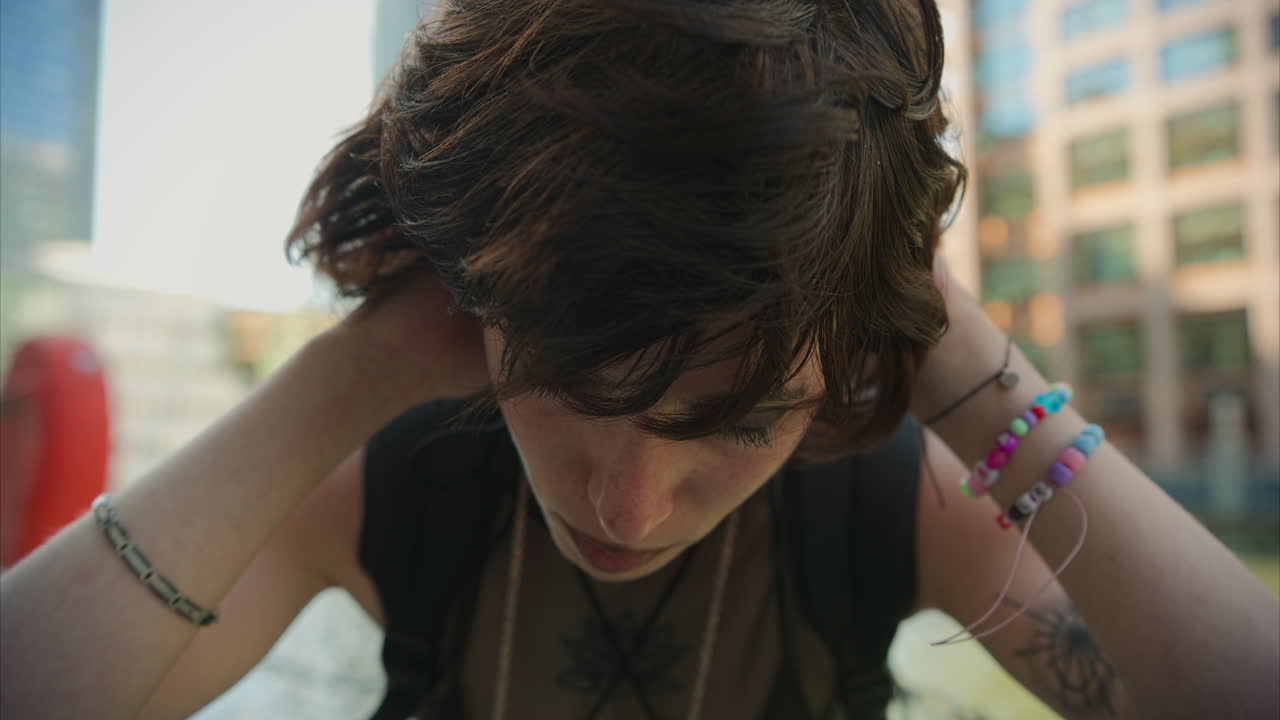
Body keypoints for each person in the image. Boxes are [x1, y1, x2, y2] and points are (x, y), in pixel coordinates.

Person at [2, 1, 1277, 718]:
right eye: (572, 382)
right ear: (473, 307)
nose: (623, 503)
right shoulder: (386, 482)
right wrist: (352, 376)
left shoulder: (888, 500)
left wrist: (963, 369)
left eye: (733, 419)